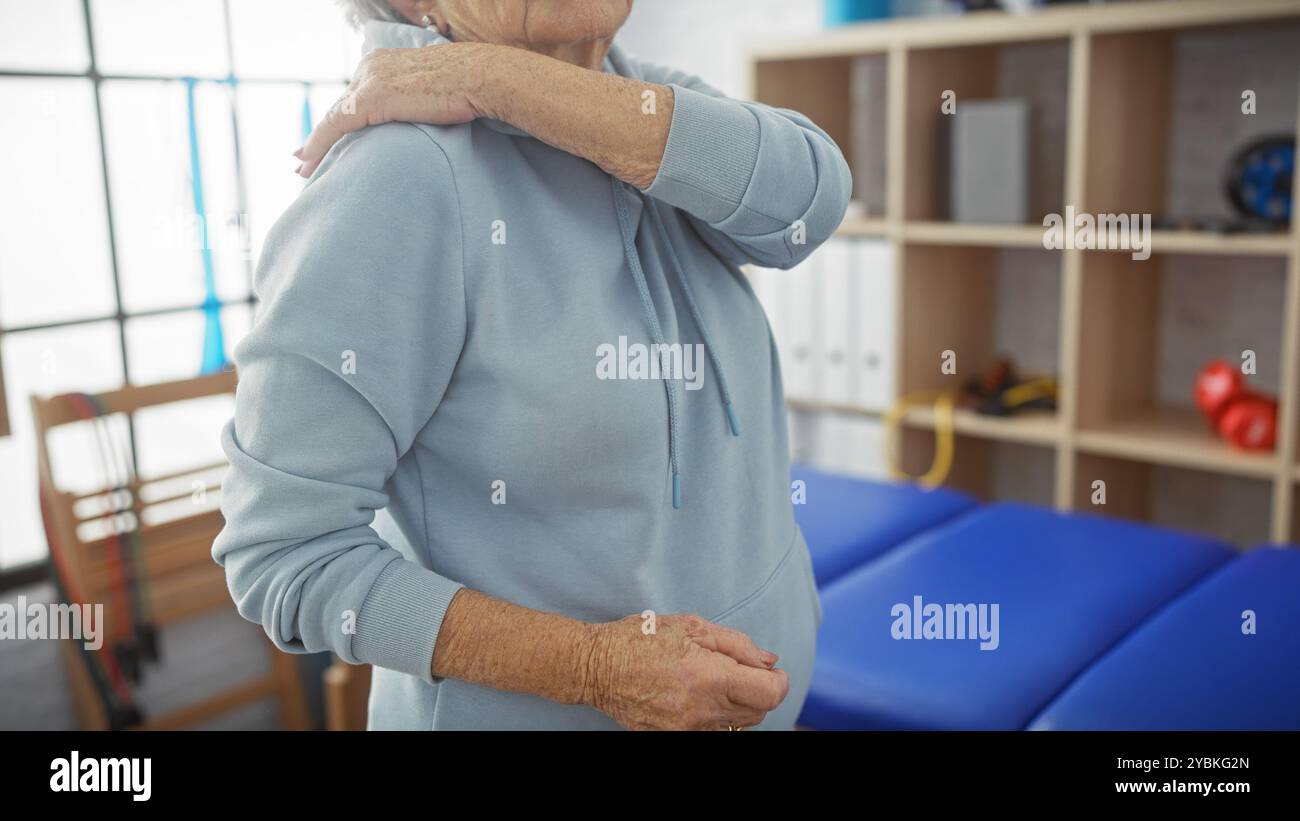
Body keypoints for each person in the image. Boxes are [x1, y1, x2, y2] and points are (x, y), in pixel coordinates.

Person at [213, 0, 850, 730]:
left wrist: (497, 79)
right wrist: (591, 667)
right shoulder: (396, 179)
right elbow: (285, 553)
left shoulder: (631, 94)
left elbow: (812, 199)